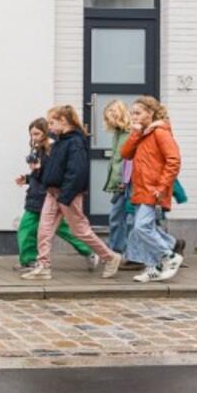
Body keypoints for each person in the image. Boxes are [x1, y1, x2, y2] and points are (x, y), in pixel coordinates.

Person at [22, 105, 122, 281]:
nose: (49, 126)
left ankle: (110, 257)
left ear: (63, 121)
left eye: (52, 122)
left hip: (68, 195)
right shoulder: (60, 141)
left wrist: (66, 197)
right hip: (52, 193)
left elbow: (77, 172)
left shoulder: (75, 142)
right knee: (44, 230)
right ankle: (43, 266)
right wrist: (37, 172)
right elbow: (52, 170)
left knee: (80, 230)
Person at [14, 118, 95, 272]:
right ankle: (29, 260)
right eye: (31, 135)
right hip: (35, 197)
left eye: (37, 134)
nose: (33, 138)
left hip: (48, 197)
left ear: (46, 132)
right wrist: (26, 178)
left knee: (65, 229)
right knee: (26, 228)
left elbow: (51, 175)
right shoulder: (37, 149)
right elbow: (38, 175)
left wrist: (38, 170)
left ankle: (89, 252)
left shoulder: (54, 150)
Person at [120, 96, 185, 283]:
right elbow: (126, 154)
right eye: (132, 113)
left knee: (141, 227)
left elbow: (174, 160)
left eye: (138, 113)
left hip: (153, 189)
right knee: (146, 228)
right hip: (140, 188)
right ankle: (153, 268)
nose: (134, 116)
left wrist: (162, 186)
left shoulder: (160, 132)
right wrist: (135, 134)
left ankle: (169, 256)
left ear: (150, 113)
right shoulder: (143, 134)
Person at [101, 100, 133, 256]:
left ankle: (115, 251)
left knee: (117, 218)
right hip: (121, 184)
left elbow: (129, 161)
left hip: (125, 185)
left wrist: (124, 181)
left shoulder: (130, 134)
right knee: (122, 218)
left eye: (109, 118)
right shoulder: (118, 134)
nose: (108, 122)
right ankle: (120, 250)